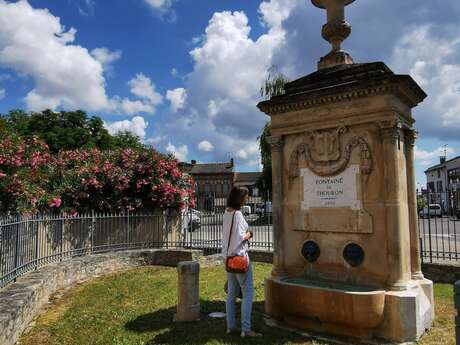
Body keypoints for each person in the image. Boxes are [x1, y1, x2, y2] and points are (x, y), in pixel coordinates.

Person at [222, 186, 262, 338]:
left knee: (231, 293)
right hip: (239, 258)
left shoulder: (226, 213)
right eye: (245, 198)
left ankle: (230, 327)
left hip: (228, 258)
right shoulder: (237, 214)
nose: (246, 200)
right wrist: (249, 234)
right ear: (239, 198)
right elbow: (240, 238)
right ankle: (246, 329)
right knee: (248, 292)